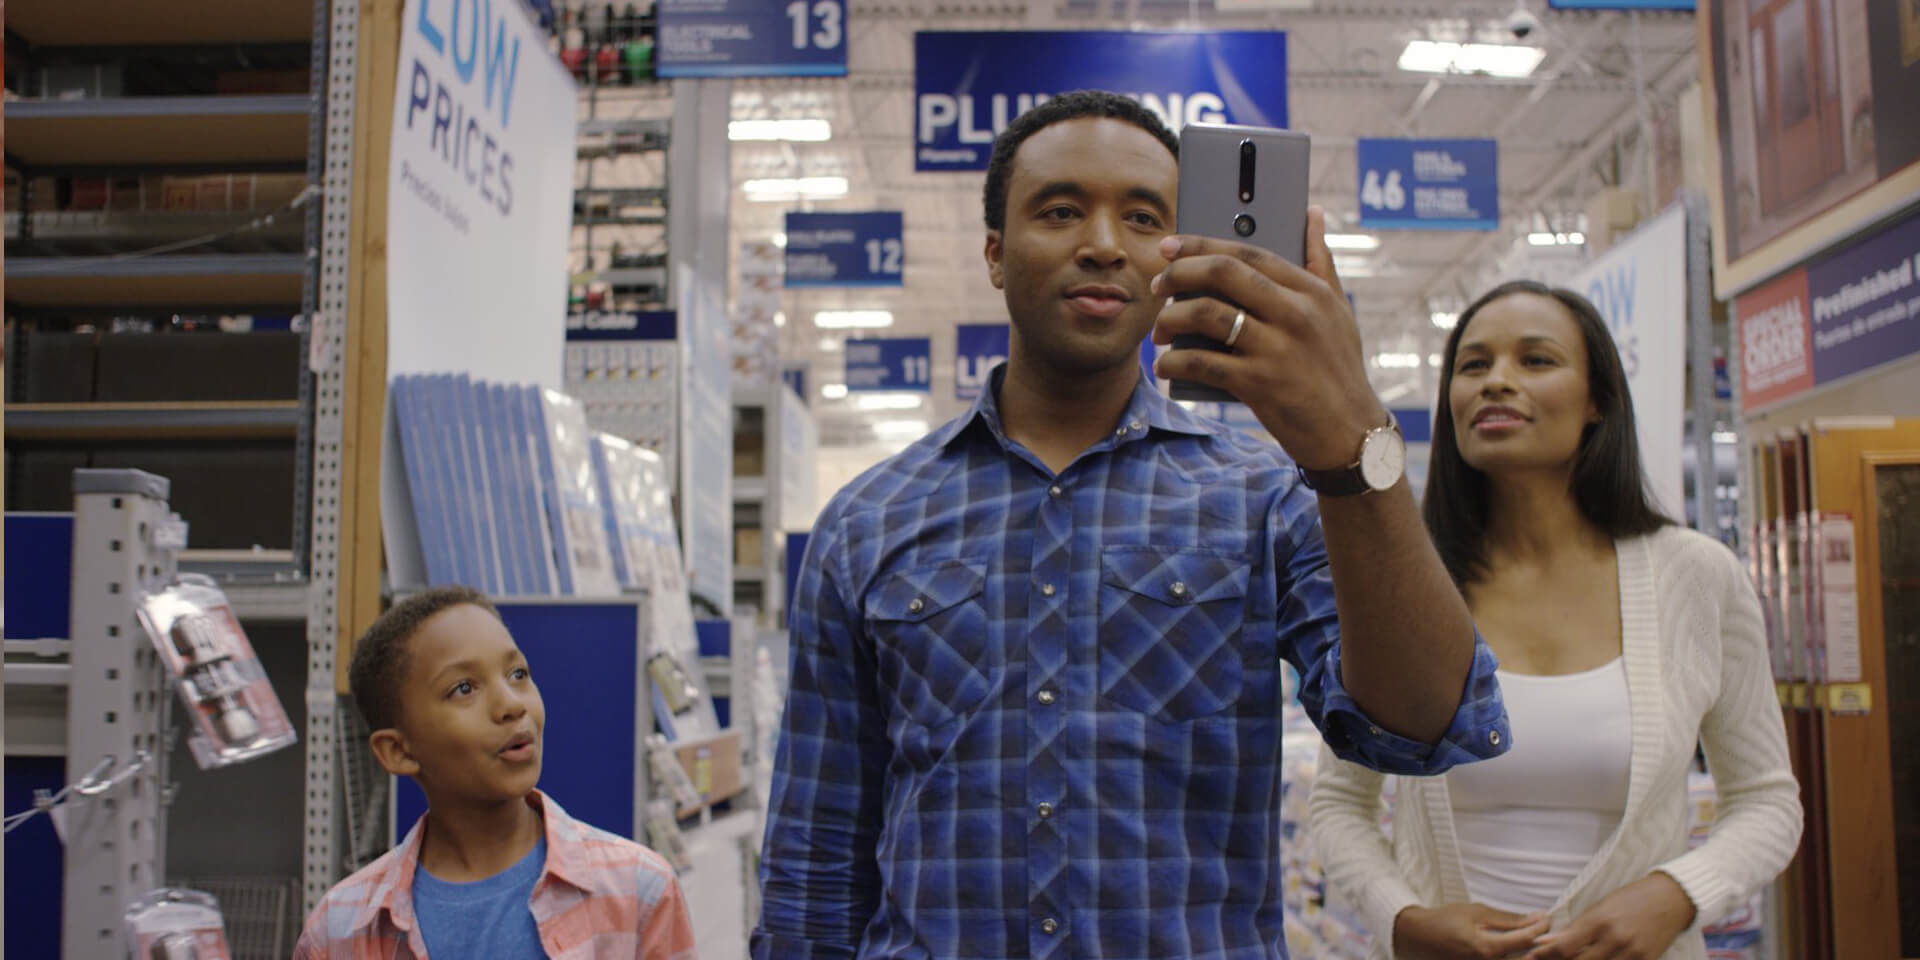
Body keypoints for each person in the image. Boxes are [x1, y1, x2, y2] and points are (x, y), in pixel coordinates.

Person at [752, 89, 1512, 960]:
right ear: (997, 255)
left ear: (1176, 254)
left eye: (1144, 217)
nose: (1104, 244)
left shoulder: (1269, 498)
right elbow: (817, 851)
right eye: (1061, 210)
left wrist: (1352, 448)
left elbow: (1430, 726)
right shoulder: (869, 521)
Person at [1307, 281, 1802, 960]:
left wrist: (1676, 893)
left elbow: (1768, 800)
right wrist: (1404, 918)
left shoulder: (1696, 577)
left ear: (1598, 400)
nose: (1497, 382)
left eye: (1535, 361)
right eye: (1472, 366)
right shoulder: (1402, 586)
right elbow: (1340, 804)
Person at [294, 586, 697, 960]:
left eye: (517, 674)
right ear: (398, 751)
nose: (511, 705)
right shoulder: (340, 931)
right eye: (464, 689)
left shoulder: (639, 892)